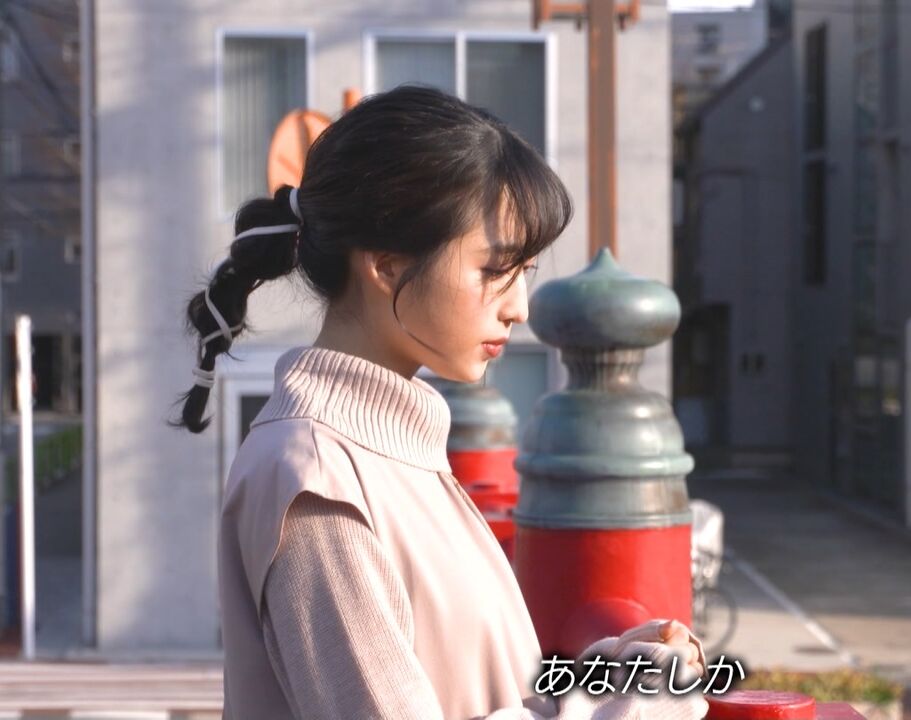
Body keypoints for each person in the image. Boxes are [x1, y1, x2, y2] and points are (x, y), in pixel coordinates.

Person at [170, 85, 709, 719]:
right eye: (495, 270)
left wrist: (612, 677)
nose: (519, 307)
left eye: (525, 273)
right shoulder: (314, 481)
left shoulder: (383, 451)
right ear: (386, 265)